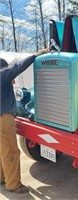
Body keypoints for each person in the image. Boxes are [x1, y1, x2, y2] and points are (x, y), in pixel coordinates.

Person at [0, 49, 49, 194]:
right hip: (4, 118)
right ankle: (13, 185)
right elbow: (18, 67)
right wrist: (36, 55)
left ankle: (2, 178)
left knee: (2, 150)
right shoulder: (2, 75)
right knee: (12, 152)